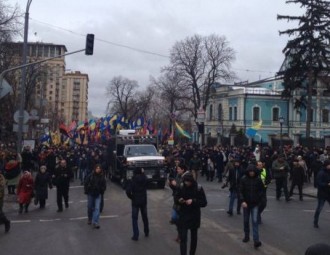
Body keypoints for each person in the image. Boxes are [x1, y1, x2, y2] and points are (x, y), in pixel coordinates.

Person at [175, 172, 207, 255]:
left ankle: (192, 253)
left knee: (194, 237)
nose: (187, 183)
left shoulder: (198, 188)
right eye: (185, 182)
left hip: (194, 215)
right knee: (183, 237)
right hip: (184, 214)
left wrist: (193, 201)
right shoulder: (181, 187)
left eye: (188, 182)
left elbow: (204, 202)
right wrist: (179, 200)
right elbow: (176, 197)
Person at [239, 164, 264, 248]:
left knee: (255, 221)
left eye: (253, 171)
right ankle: (246, 235)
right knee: (246, 221)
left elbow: (261, 191)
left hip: (255, 204)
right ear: (248, 172)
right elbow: (240, 191)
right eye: (250, 171)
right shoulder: (243, 179)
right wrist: (242, 201)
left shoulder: (258, 180)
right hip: (246, 204)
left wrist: (259, 200)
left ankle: (256, 240)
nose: (252, 173)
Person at [126, 167, 149, 241]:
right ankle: (146, 231)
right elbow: (147, 180)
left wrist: (131, 197)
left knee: (134, 218)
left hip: (135, 201)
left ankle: (136, 235)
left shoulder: (132, 180)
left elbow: (128, 191)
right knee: (144, 217)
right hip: (143, 200)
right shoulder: (144, 178)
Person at [84, 164, 107, 229]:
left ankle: (95, 222)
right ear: (95, 169)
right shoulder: (90, 176)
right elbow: (86, 183)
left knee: (97, 208)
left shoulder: (102, 177)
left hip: (98, 194)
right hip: (91, 194)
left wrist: (101, 190)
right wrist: (86, 191)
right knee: (90, 207)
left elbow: (104, 186)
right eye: (97, 168)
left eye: (99, 168)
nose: (98, 169)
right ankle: (90, 218)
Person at [313, 160, 330, 228]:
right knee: (319, 208)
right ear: (327, 165)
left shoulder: (328, 172)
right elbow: (319, 183)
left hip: (328, 193)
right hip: (322, 194)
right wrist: (327, 184)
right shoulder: (321, 173)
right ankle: (315, 221)